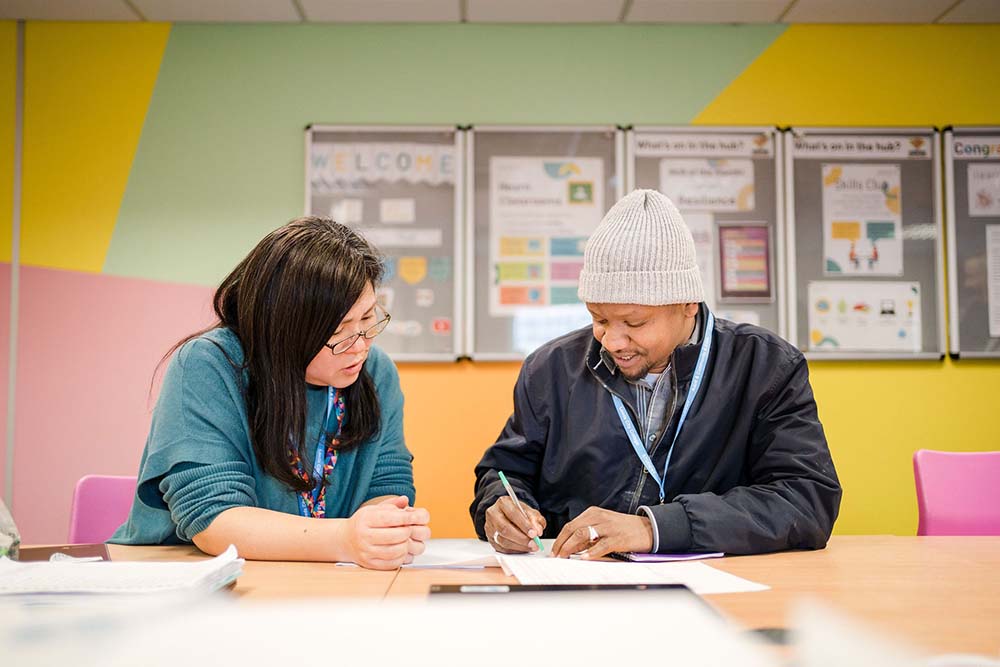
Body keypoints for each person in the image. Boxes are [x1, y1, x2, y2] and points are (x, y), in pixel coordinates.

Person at [471, 189, 841, 558]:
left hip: (720, 591)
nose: (612, 341)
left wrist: (658, 527)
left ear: (687, 304)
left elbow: (806, 499)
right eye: (599, 318)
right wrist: (501, 506)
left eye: (635, 322)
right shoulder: (550, 369)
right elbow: (505, 472)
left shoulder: (765, 366)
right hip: (576, 584)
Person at [111, 217, 430, 570]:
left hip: (320, 579)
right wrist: (346, 540)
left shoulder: (375, 372)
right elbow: (212, 518)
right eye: (339, 332)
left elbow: (386, 482)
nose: (361, 346)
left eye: (368, 319)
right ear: (284, 327)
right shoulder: (209, 365)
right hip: (185, 578)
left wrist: (383, 530)